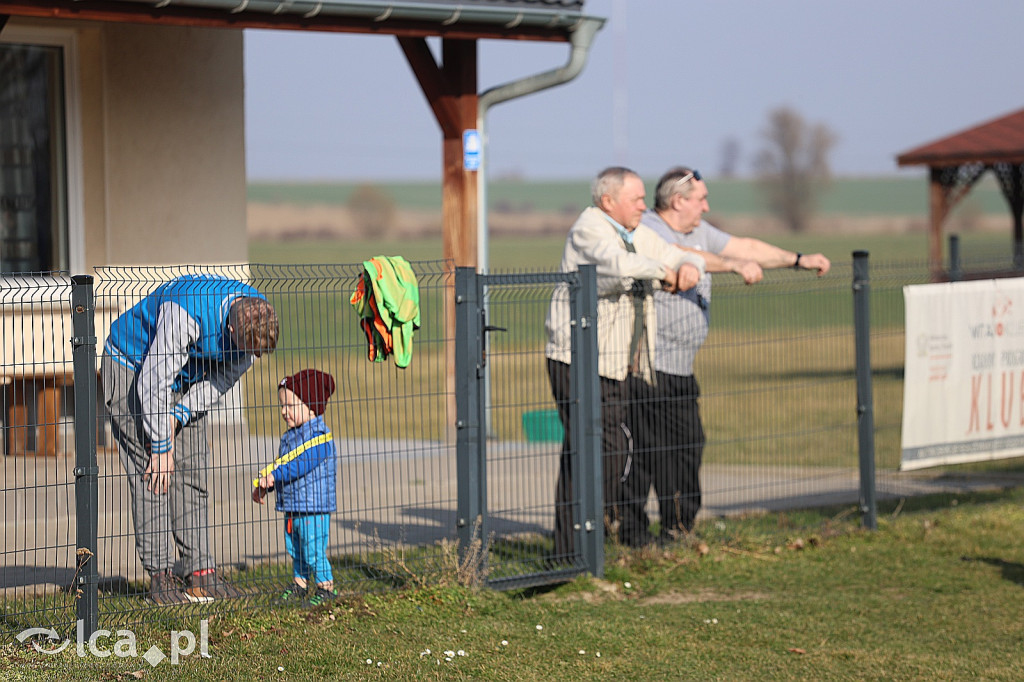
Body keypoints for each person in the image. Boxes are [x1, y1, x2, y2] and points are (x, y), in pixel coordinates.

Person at [638, 166, 831, 541]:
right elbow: (682, 256)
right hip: (648, 365)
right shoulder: (650, 230)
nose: (706, 208)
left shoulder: (697, 231)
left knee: (689, 444)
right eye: (701, 199)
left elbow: (745, 247)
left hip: (679, 366)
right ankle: (634, 534)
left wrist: (798, 260)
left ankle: (679, 529)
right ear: (678, 201)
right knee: (656, 452)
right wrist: (732, 265)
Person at [545, 166, 707, 556]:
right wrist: (666, 271)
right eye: (635, 199)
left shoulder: (636, 234)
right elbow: (619, 265)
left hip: (614, 363)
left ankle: (586, 544)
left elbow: (683, 255)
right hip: (577, 358)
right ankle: (573, 551)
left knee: (608, 450)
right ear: (608, 202)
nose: (642, 205)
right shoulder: (590, 230)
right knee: (592, 448)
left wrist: (688, 268)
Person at [102, 274, 279, 604]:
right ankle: (160, 577)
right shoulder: (185, 315)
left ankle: (200, 573)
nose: (250, 359)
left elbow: (223, 378)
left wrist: (178, 415)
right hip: (132, 367)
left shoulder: (255, 322)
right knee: (154, 475)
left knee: (193, 470)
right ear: (230, 331)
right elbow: (151, 385)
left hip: (184, 378)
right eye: (246, 351)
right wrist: (162, 446)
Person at [253, 368, 338, 606]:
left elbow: (298, 465)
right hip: (294, 504)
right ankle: (300, 585)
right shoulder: (290, 436)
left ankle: (326, 587)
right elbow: (283, 466)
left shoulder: (319, 437)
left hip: (313, 506)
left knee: (312, 548)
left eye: (290, 406)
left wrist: (275, 475)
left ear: (312, 405)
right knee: (296, 547)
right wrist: (267, 483)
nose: (283, 411)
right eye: (282, 405)